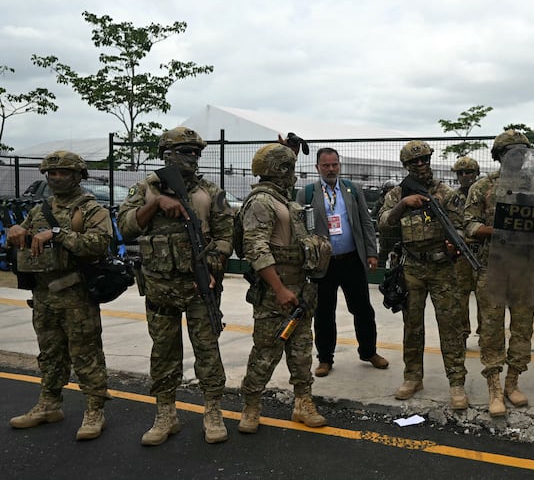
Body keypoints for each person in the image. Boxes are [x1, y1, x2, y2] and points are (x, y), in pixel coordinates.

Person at [118, 127, 233, 445]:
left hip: (200, 288)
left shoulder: (211, 191)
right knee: (164, 353)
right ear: (165, 154)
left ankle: (212, 410)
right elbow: (125, 228)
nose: (192, 158)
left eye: (196, 152)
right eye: (185, 151)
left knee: (208, 352)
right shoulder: (145, 189)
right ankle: (165, 414)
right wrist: (155, 205)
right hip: (159, 287)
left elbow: (225, 237)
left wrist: (214, 269)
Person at [7, 151, 113, 440]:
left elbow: (100, 244)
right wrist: (15, 230)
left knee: (86, 355)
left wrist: (57, 233)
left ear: (78, 175)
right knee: (50, 354)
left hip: (76, 296)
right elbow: (24, 236)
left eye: (62, 173)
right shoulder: (39, 210)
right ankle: (49, 403)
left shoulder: (91, 209)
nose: (55, 178)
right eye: (51, 174)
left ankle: (95, 410)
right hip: (43, 295)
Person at [238, 143, 328, 432]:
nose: (294, 174)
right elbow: (256, 249)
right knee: (265, 353)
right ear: (279, 170)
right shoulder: (262, 202)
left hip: (300, 291)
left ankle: (303, 402)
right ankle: (251, 405)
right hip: (276, 294)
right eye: (289, 168)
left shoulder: (284, 200)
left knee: (302, 353)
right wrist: (278, 289)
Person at [378, 140, 469, 409]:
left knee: (451, 327)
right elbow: (384, 223)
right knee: (412, 326)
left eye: (424, 160)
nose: (420, 165)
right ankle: (412, 377)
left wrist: (456, 242)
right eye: (413, 163)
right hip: (412, 267)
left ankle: (456, 383)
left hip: (443, 268)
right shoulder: (397, 194)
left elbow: (464, 226)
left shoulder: (447, 193)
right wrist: (403, 204)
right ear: (405, 166)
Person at [299, 147, 388, 377]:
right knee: (324, 312)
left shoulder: (352, 190)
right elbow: (299, 230)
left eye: (334, 164)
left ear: (339, 165)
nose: (331, 169)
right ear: (317, 167)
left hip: (351, 260)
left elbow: (366, 223)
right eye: (326, 165)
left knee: (363, 309)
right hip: (323, 265)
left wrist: (371, 252)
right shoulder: (307, 193)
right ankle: (325, 359)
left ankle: (369, 352)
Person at [463, 131, 534, 417]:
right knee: (491, 330)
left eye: (522, 153)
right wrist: (499, 231)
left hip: (524, 269)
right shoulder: (483, 187)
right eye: (511, 153)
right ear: (499, 156)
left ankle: (513, 382)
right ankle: (494, 386)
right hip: (491, 268)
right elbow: (469, 225)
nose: (518, 158)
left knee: (522, 329)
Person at [448, 156, 481, 342]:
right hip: (461, 254)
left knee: (485, 297)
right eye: (460, 173)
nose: (464, 176)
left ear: (476, 173)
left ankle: (485, 333)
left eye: (468, 172)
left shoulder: (484, 193)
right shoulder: (452, 198)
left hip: (483, 252)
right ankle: (462, 333)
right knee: (459, 296)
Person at [371, 179, 400, 267]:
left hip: (396, 231)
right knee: (383, 254)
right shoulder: (380, 202)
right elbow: (373, 214)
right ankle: (380, 272)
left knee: (397, 254)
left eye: (393, 188)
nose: (391, 191)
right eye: (389, 188)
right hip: (385, 233)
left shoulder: (399, 200)